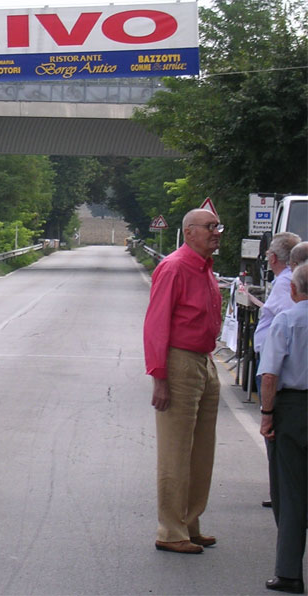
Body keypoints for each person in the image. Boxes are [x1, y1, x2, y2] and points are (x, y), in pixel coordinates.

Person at [143, 208, 224, 555]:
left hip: (204, 361)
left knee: (201, 450)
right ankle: (170, 528)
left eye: (217, 226)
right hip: (179, 361)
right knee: (176, 450)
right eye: (209, 227)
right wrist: (160, 377)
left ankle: (190, 522)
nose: (215, 232)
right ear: (189, 232)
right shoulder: (175, 267)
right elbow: (156, 323)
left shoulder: (206, 269)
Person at [258, 263, 308, 594]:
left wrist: (266, 414)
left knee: (290, 492)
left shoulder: (287, 320)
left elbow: (271, 375)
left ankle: (289, 572)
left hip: (294, 410)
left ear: (293, 289)